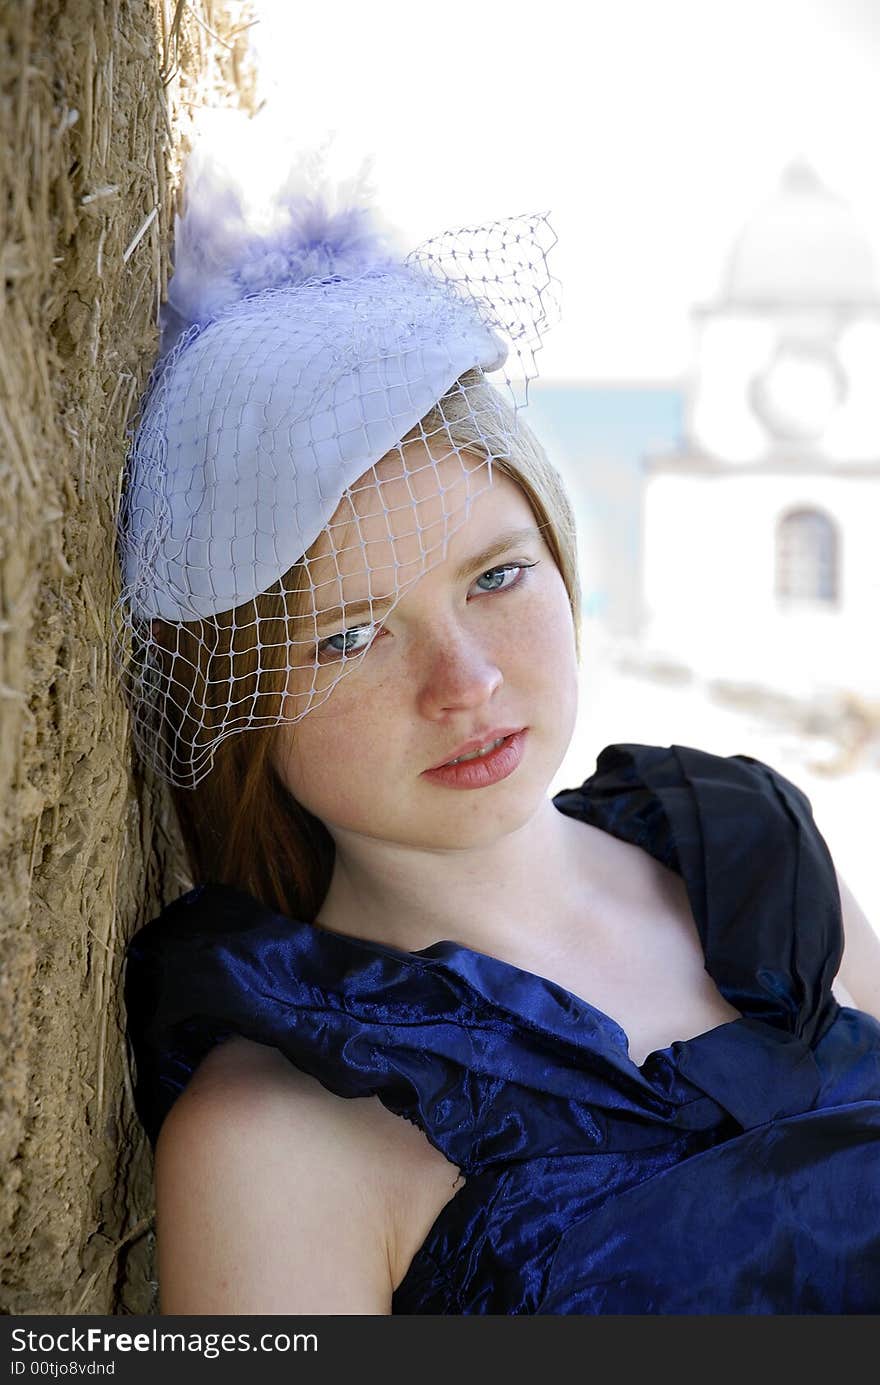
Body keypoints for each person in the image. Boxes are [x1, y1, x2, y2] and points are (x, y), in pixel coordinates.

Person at [116, 121, 880, 1316]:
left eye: (496, 576)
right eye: (351, 636)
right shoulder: (273, 1136)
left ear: (563, 556)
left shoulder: (770, 876)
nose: (465, 681)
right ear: (241, 704)